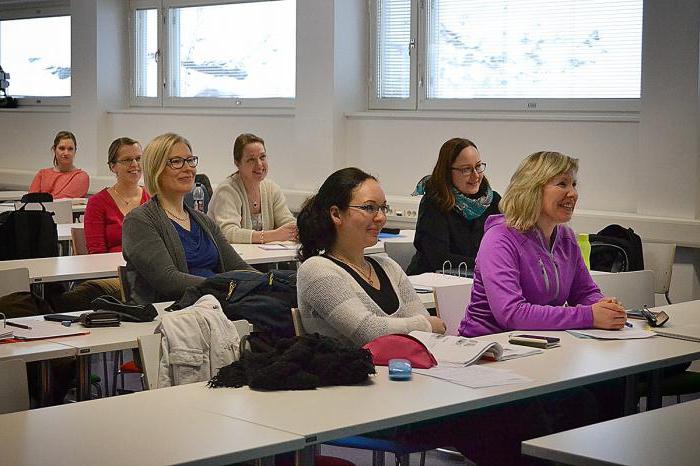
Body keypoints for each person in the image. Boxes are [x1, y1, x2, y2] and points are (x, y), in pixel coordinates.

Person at [459, 151, 626, 337]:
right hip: (487, 349)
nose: (573, 193)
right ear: (532, 190)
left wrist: (604, 306)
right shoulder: (499, 239)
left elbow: (583, 292)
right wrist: (589, 315)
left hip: (539, 345)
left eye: (574, 184)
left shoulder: (566, 237)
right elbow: (512, 314)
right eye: (562, 184)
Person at [296, 167, 446, 348]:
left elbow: (428, 336)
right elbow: (368, 332)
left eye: (383, 207)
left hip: (402, 371)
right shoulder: (316, 270)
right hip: (351, 374)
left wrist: (425, 325)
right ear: (336, 214)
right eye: (369, 208)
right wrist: (425, 325)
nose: (381, 217)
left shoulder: (389, 267)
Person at [122, 133, 254, 304]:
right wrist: (227, 286)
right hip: (174, 313)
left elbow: (237, 266)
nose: (188, 168)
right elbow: (168, 280)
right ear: (156, 169)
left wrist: (269, 281)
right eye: (176, 162)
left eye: (190, 160)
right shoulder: (139, 221)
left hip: (217, 303)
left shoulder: (203, 221)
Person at [407, 138, 501, 275]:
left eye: (478, 166)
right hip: (432, 282)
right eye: (466, 169)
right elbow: (439, 258)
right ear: (447, 172)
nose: (476, 175)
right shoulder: (434, 203)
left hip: (478, 278)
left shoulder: (492, 201)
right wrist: (488, 262)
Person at [208, 133, 296, 244]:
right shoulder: (227, 190)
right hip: (230, 259)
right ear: (237, 163)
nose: (259, 164)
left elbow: (289, 225)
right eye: (251, 160)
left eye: (262, 157)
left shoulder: (272, 189)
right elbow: (227, 233)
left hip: (266, 259)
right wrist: (273, 235)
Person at [84, 137, 150, 253]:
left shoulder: (152, 198)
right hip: (112, 268)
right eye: (127, 160)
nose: (135, 164)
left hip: (150, 267)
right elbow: (96, 252)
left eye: (138, 158)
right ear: (112, 166)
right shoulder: (97, 203)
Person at [29, 131, 89, 199]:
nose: (66, 153)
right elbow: (30, 200)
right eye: (62, 148)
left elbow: (62, 201)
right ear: (54, 150)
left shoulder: (81, 177)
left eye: (70, 149)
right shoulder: (42, 174)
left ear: (75, 151)